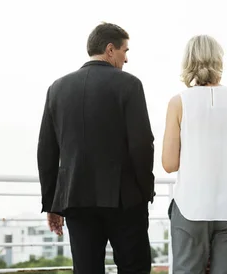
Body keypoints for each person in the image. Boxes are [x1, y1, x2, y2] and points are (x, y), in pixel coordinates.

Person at [37, 22, 155, 274]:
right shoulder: (129, 85)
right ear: (110, 49)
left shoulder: (57, 89)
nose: (126, 59)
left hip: (76, 199)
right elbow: (142, 144)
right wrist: (145, 189)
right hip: (125, 199)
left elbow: (47, 151)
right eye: (125, 51)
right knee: (134, 267)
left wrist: (52, 203)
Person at [162, 34, 227, 274]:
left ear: (188, 62)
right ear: (219, 60)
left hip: (191, 206)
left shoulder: (178, 103)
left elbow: (169, 163)